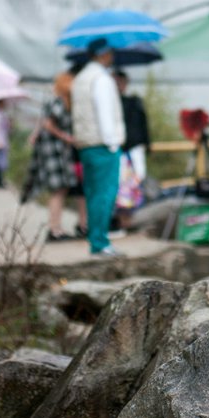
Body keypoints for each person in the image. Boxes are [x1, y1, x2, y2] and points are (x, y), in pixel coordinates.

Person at [71, 37, 125, 256]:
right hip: (103, 144)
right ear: (104, 54)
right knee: (105, 193)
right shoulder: (102, 79)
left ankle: (96, 240)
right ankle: (100, 242)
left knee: (93, 193)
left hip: (85, 144)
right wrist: (112, 143)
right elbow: (105, 114)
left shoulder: (81, 78)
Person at [21, 69, 87, 242]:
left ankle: (56, 227)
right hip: (53, 151)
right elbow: (48, 124)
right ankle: (54, 229)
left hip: (58, 151)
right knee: (58, 190)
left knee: (61, 189)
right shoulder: (59, 102)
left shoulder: (64, 102)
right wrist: (66, 137)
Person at [114, 70, 150, 182]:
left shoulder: (135, 102)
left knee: (139, 176)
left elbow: (143, 123)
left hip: (134, 146)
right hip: (119, 147)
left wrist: (147, 142)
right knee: (120, 178)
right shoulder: (114, 103)